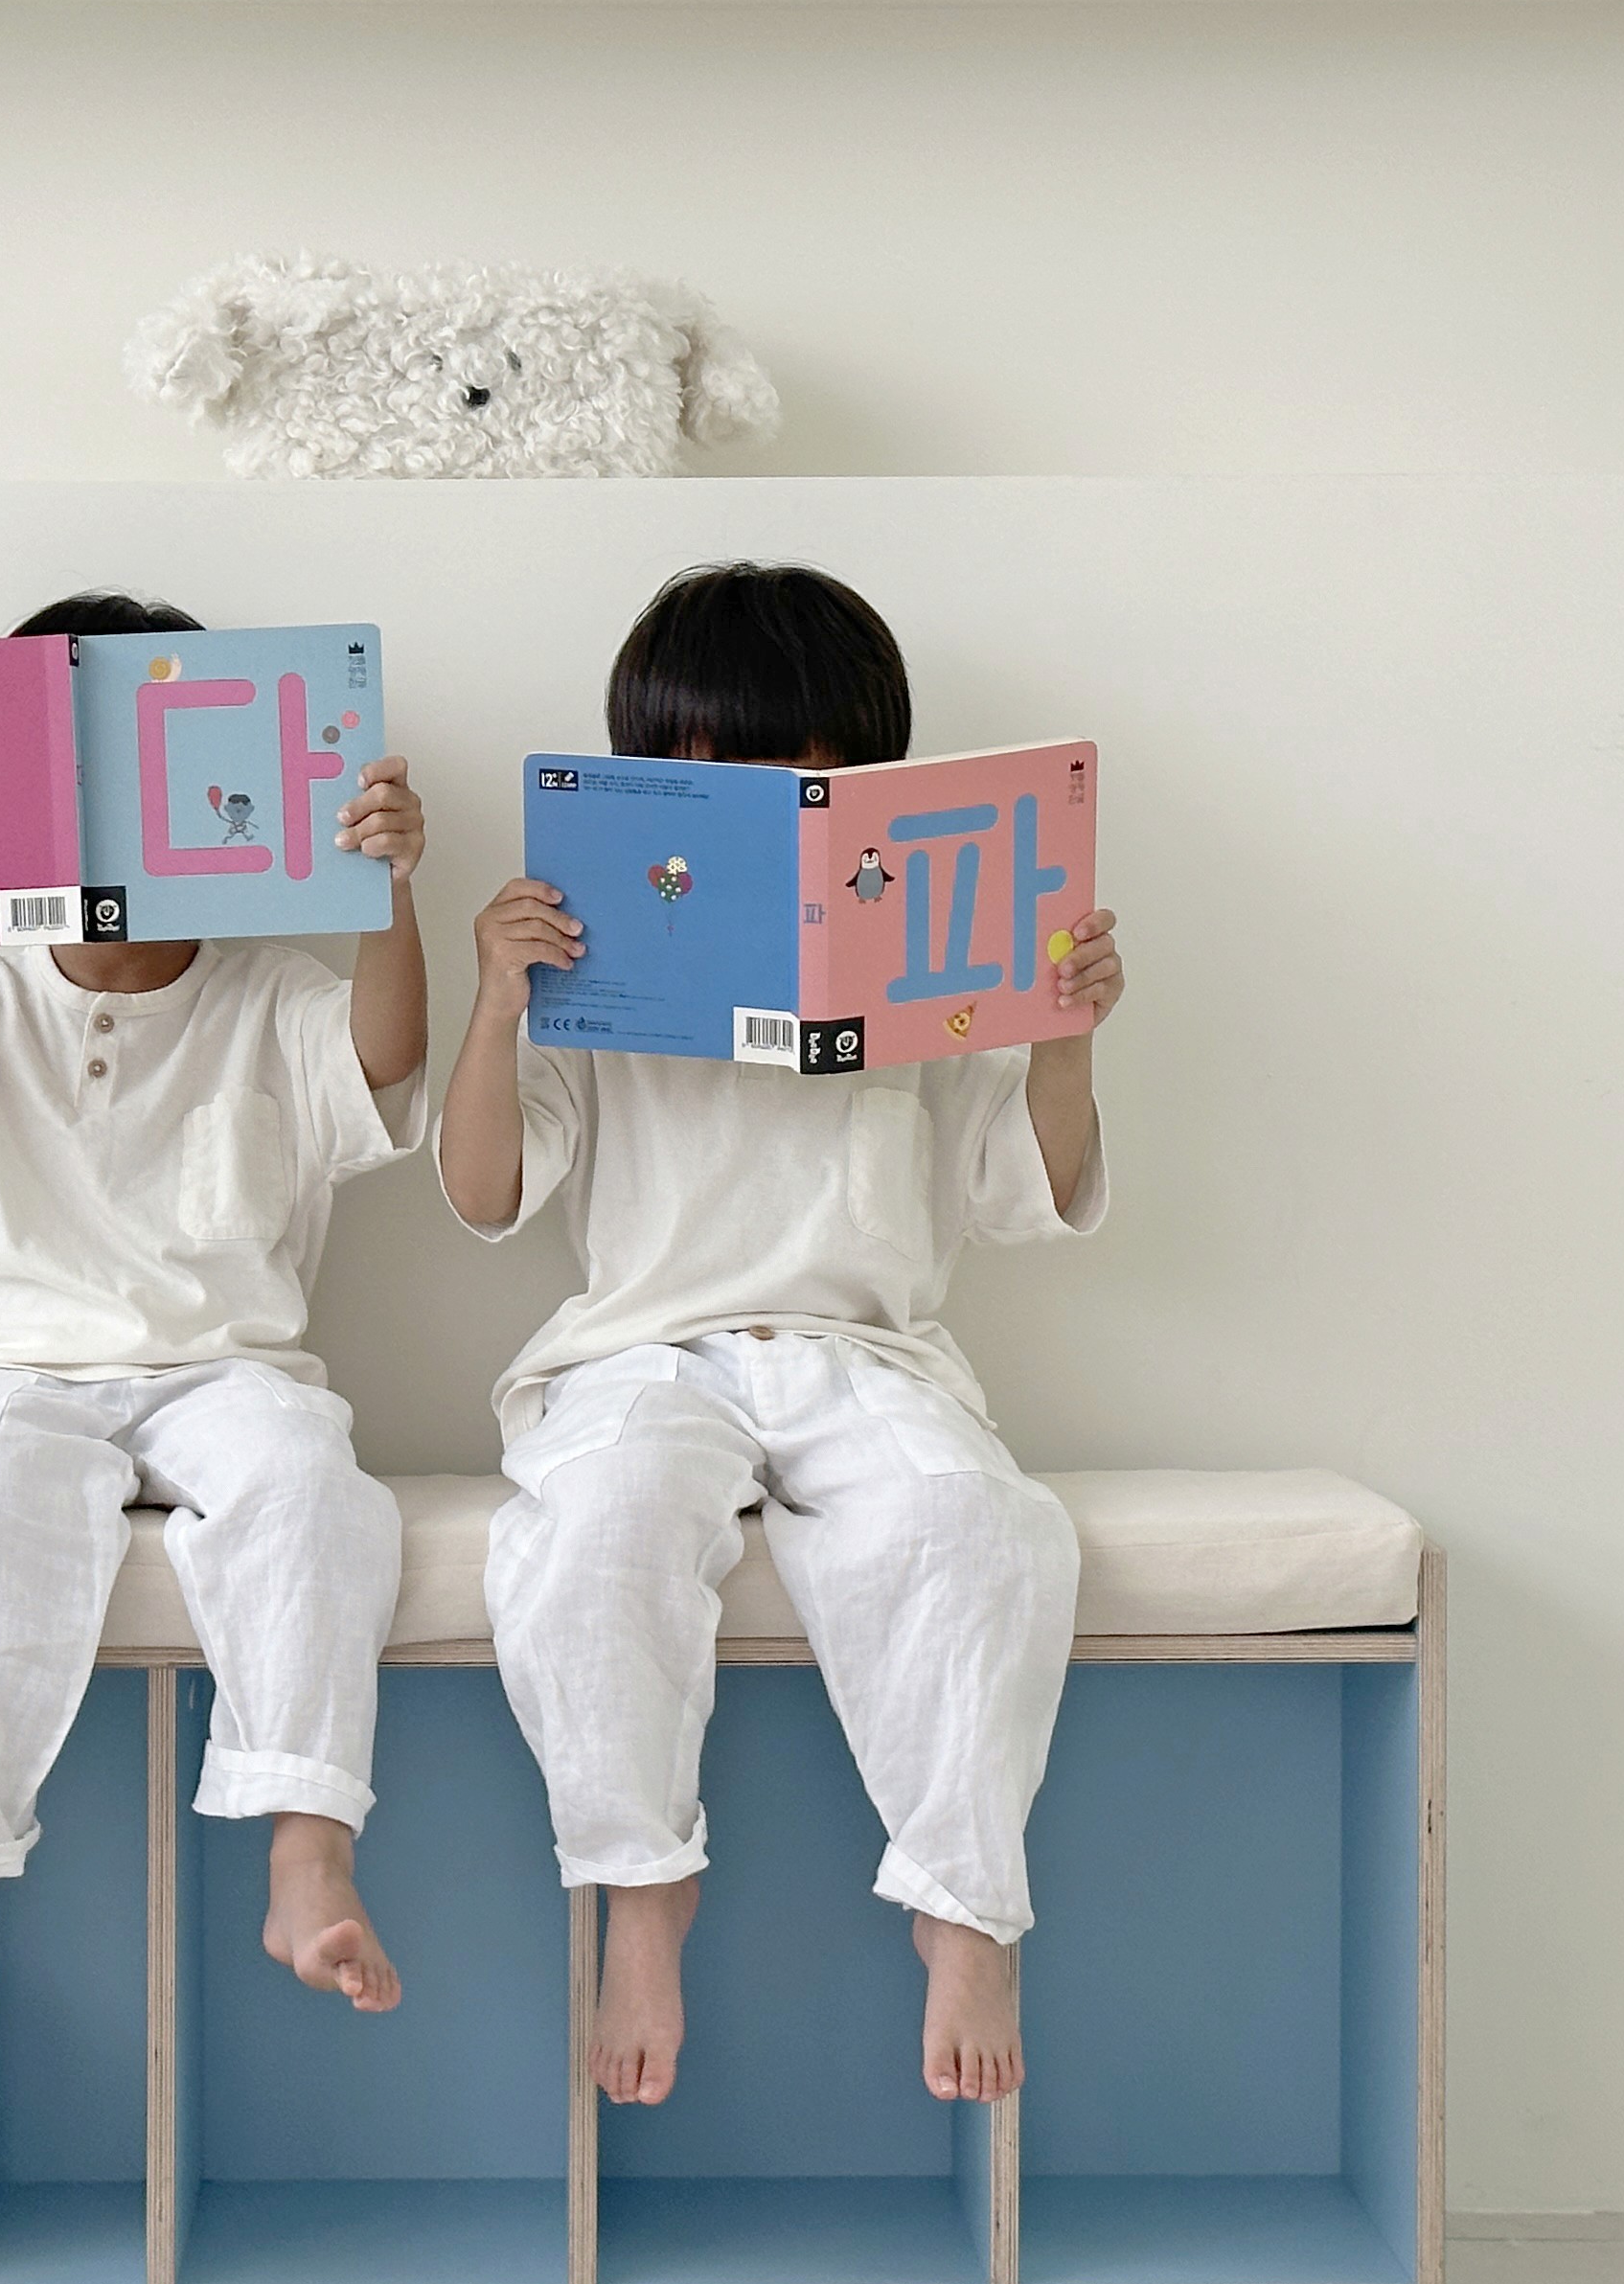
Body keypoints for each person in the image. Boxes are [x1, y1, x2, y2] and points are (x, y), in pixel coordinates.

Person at [437, 562, 1123, 2109]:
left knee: (981, 1528)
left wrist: (1063, 1038)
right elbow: (485, 1192)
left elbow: (1025, 1191)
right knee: (596, 1528)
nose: (768, 800)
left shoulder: (936, 943)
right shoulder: (594, 948)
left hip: (864, 1353)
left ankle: (965, 1910)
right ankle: (641, 1893)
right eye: (719, 771)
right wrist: (495, 1002)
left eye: (805, 768)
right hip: (644, 1352)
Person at [0, 591, 432, 2055]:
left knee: (311, 1488)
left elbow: (382, 1063)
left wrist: (390, 892)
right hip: (5, 1358)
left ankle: (308, 1849)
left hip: (225, 1365)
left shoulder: (269, 990)